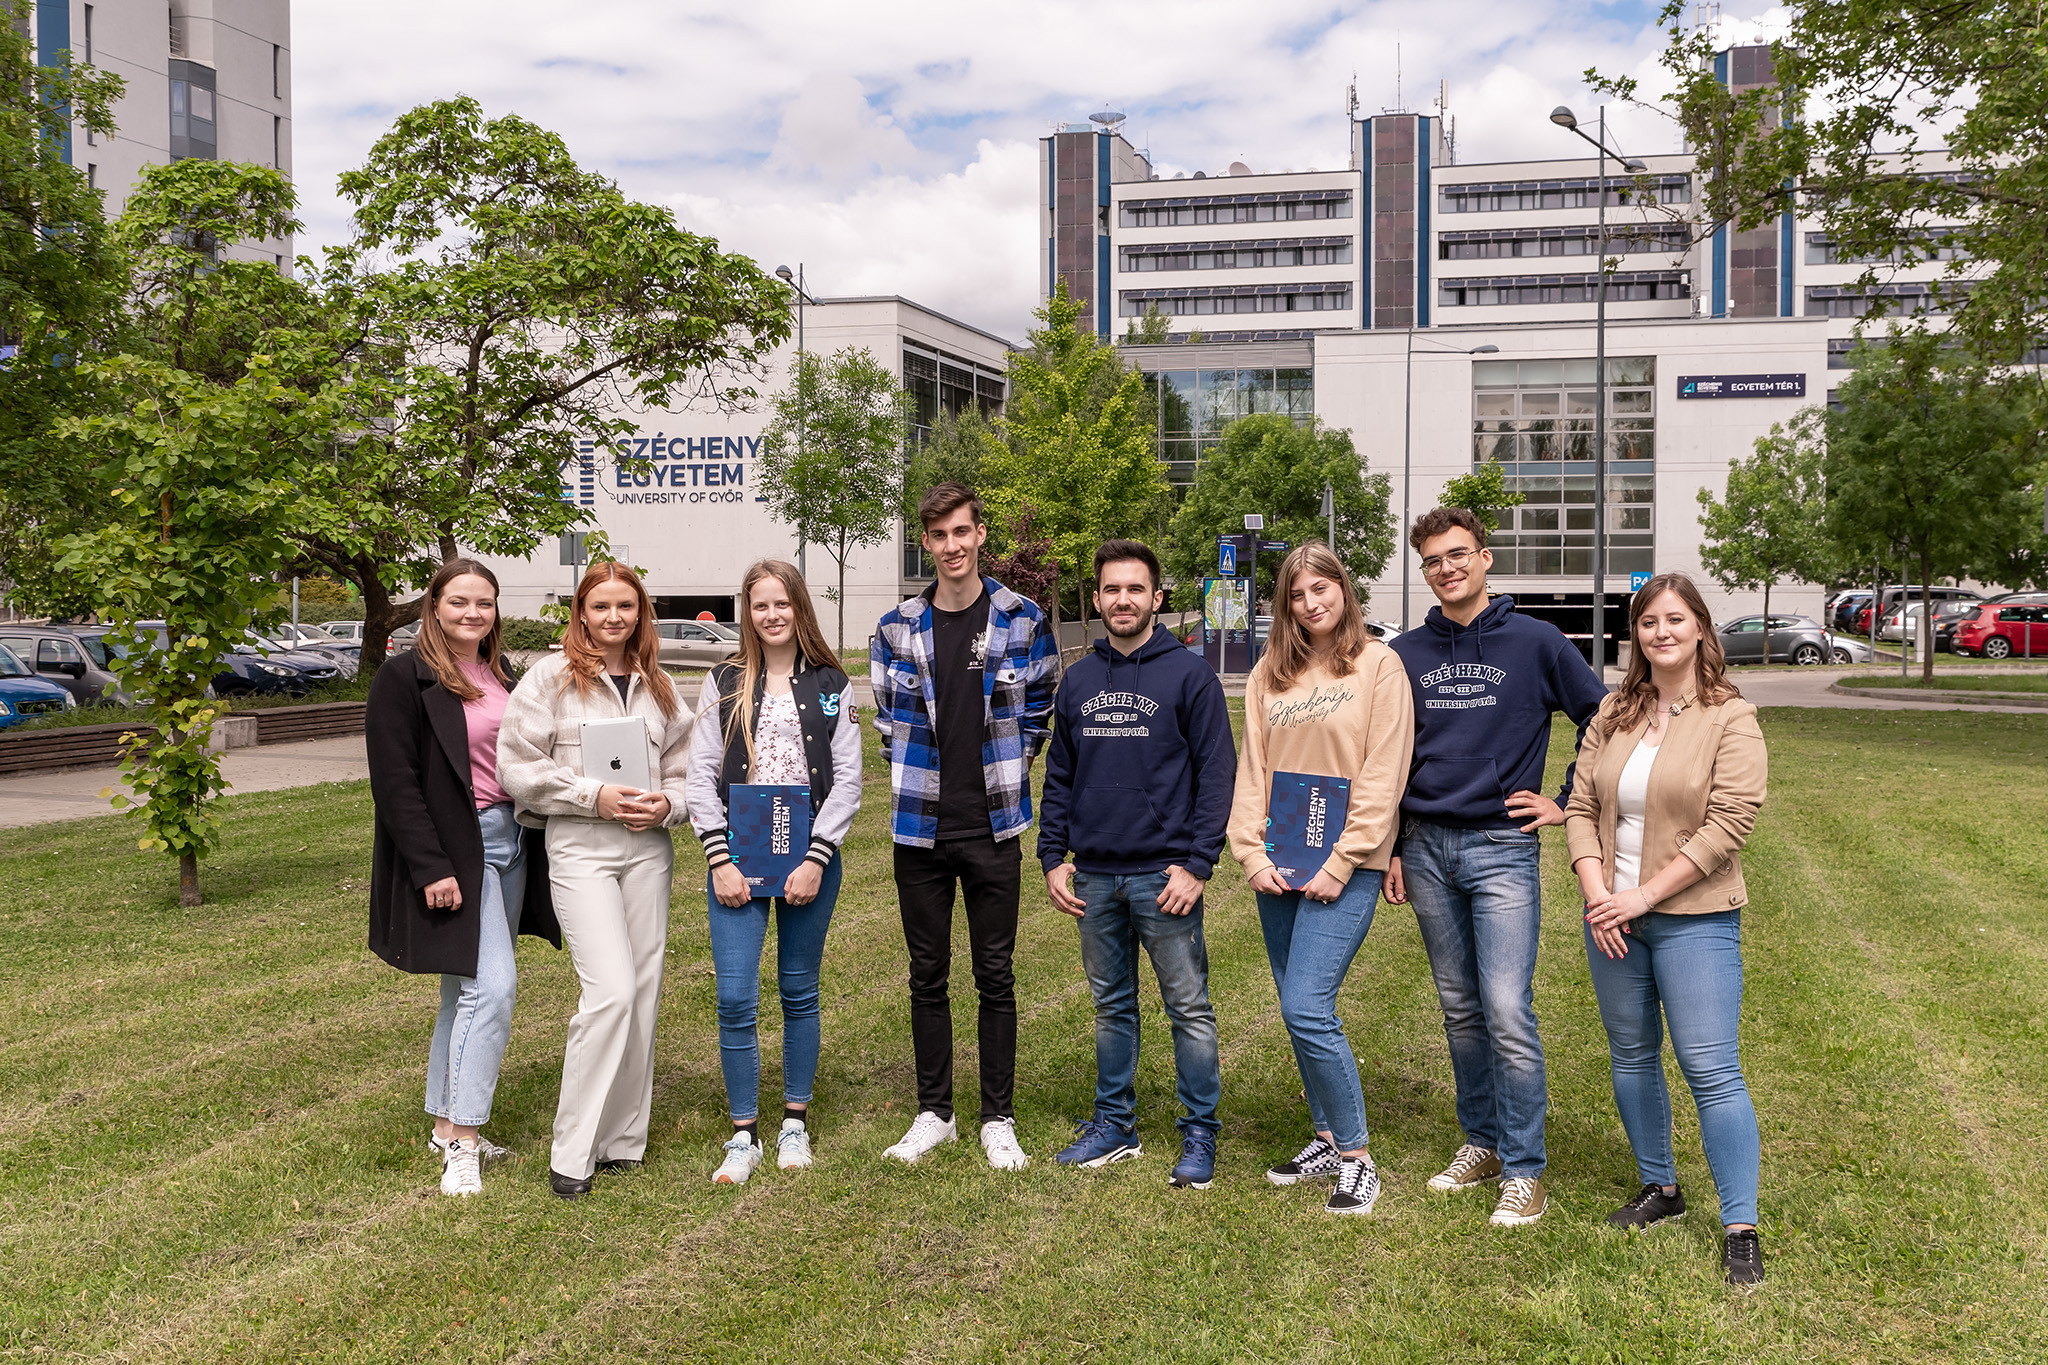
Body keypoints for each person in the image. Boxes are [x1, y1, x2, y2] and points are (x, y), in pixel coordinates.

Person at [1384, 507, 1608, 1228]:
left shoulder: (1537, 642)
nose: (1446, 569)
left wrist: (1566, 802)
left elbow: (1603, 718)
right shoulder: (1405, 654)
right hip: (1425, 844)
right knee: (1460, 1009)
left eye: (1457, 554)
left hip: (1501, 848)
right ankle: (1481, 1141)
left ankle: (1524, 1169)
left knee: (1507, 1007)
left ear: (1484, 557)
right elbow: (1386, 755)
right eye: (1432, 561)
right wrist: (1392, 847)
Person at [1565, 573, 1769, 1285]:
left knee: (1711, 1068)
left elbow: (1729, 823)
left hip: (1693, 918)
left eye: (1676, 619)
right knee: (1631, 1055)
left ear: (1700, 628)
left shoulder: (1730, 717)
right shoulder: (1614, 711)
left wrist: (1642, 897)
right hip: (1612, 919)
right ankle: (1662, 1187)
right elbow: (1581, 807)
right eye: (1649, 622)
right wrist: (1600, 895)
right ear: (1636, 635)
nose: (1662, 632)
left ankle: (1740, 1225)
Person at [870, 481, 1056, 1171]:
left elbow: (1040, 702)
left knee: (995, 974)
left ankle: (997, 1118)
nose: (952, 546)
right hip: (919, 828)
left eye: (962, 532)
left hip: (993, 826)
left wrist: (1014, 762)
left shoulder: (1022, 618)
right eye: (939, 535)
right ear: (927, 542)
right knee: (927, 974)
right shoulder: (895, 628)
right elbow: (887, 721)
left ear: (980, 534)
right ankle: (935, 1113)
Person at [1039, 540, 1236, 1189]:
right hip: (1094, 874)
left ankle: (1200, 1130)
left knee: (1189, 1008)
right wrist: (1053, 856)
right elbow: (1060, 775)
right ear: (1097, 599)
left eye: (1135, 589)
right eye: (1111, 590)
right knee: (1111, 1006)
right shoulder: (1078, 680)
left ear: (1157, 597)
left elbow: (1217, 775)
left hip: (1165, 875)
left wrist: (1197, 865)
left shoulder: (1190, 676)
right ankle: (1114, 1124)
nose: (1123, 600)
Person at [498, 559, 695, 1199]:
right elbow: (517, 769)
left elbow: (687, 771)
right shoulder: (549, 678)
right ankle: (572, 1151)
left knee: (642, 993)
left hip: (648, 850)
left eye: (626, 606)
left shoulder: (660, 685)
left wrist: (669, 805)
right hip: (581, 848)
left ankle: (622, 1141)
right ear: (581, 612)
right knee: (609, 991)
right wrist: (593, 795)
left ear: (641, 613)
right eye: (601, 606)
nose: (614, 617)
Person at [1228, 543, 1413, 1214]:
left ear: (1344, 589)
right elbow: (1253, 769)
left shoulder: (1380, 666)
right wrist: (1251, 855)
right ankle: (1328, 1138)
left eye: (1322, 588)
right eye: (1298, 594)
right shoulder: (1268, 674)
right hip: (1280, 861)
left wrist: (1342, 861)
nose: (1311, 603)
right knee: (1294, 1005)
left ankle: (1358, 1159)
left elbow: (1384, 772)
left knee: (1308, 1005)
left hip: (1348, 864)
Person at [367, 558, 560, 1197]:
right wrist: (431, 866)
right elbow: (395, 783)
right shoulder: (403, 678)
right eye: (459, 601)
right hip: (459, 847)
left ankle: (445, 1126)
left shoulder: (503, 675)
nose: (472, 613)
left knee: (463, 989)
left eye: (484, 602)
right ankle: (465, 1144)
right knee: (493, 988)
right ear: (434, 605)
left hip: (513, 842)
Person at [685, 560, 862, 1186]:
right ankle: (743, 1134)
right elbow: (701, 774)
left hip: (807, 853)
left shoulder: (831, 682)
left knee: (798, 989)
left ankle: (793, 1123)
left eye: (782, 603)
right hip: (738, 854)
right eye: (760, 605)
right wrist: (719, 859)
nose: (772, 615)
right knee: (735, 996)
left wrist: (816, 858)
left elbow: (848, 780)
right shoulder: (724, 680)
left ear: (799, 607)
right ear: (747, 612)